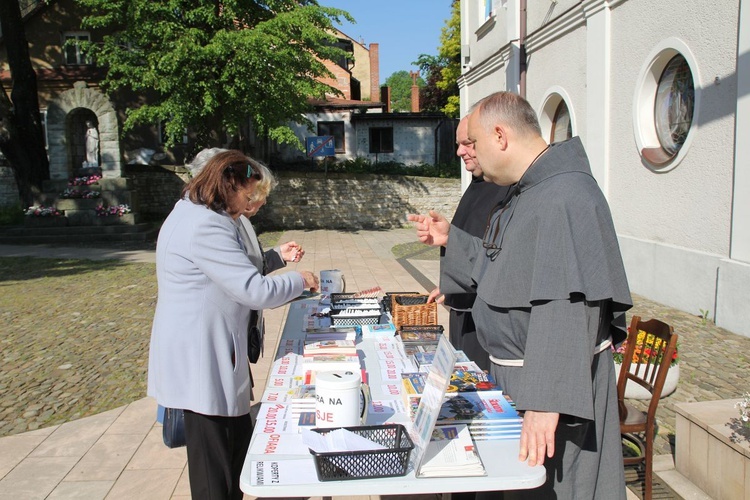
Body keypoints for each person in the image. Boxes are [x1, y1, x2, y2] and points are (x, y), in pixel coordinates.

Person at [408, 91, 632, 498]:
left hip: (551, 388)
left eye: (472, 142)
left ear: (500, 135)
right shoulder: (529, 190)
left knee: (557, 488)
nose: (467, 152)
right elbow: (505, 265)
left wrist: (546, 403)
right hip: (521, 379)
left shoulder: (564, 196)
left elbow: (567, 302)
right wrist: (452, 240)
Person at [148, 149, 319, 500]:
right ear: (228, 185)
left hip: (212, 348)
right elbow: (254, 290)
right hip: (201, 357)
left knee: (234, 450)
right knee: (216, 470)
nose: (252, 202)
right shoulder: (205, 224)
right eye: (248, 193)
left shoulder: (205, 214)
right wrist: (300, 281)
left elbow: (240, 267)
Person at [188, 148, 304, 382]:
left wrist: (277, 256)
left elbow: (247, 265)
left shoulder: (236, 220)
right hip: (207, 347)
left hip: (232, 338)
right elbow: (251, 288)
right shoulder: (213, 224)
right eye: (253, 192)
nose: (260, 200)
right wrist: (301, 280)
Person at [427, 115, 510, 372]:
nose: (459, 151)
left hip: (485, 317)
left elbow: (499, 258)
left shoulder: (509, 188)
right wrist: (449, 285)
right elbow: (469, 237)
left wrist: (452, 238)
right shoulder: (479, 184)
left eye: (468, 143)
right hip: (463, 307)